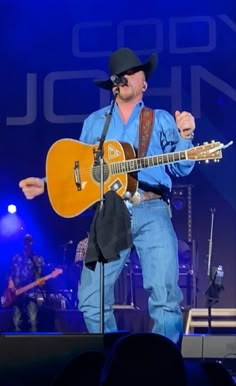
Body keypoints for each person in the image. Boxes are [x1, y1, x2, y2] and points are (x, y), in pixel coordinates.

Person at [18, 47, 196, 344]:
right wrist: (47, 183)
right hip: (110, 211)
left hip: (152, 208)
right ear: (113, 83)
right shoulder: (95, 123)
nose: (125, 76)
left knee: (164, 295)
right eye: (120, 73)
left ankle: (162, 366)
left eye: (132, 71)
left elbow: (181, 167)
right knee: (91, 296)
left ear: (144, 84)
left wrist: (186, 137)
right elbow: (80, 168)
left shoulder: (161, 119)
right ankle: (115, 361)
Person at [7, 233, 45, 332]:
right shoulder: (15, 257)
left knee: (33, 320)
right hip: (17, 292)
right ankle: (15, 344)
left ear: (32, 243)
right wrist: (10, 283)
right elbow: (10, 272)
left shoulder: (38, 259)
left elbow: (40, 275)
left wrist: (41, 282)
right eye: (25, 241)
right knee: (16, 321)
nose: (27, 243)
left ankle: (34, 344)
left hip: (31, 292)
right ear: (22, 242)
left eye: (29, 241)